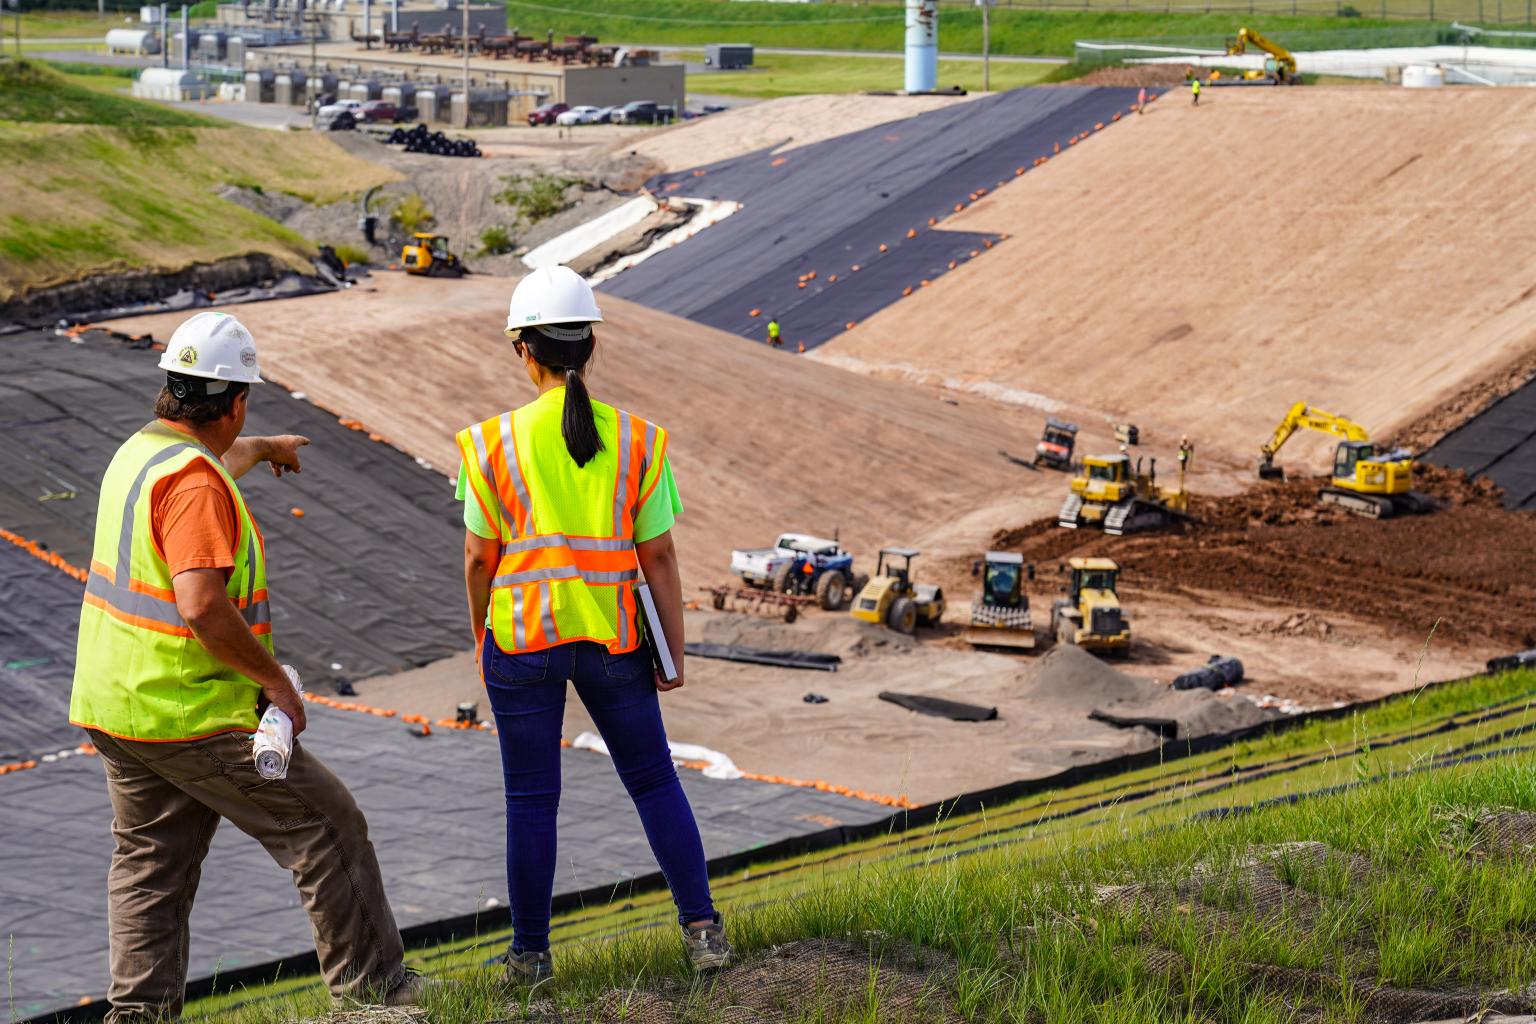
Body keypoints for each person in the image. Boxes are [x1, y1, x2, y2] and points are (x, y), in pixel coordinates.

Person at [69, 312, 422, 1022]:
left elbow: (197, 485)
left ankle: (137, 1016)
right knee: (326, 829)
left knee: (152, 868)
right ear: (235, 400)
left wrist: (255, 449)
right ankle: (376, 1000)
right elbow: (201, 604)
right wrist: (273, 681)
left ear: (173, 386)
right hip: (190, 712)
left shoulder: (144, 453)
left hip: (118, 705)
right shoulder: (194, 483)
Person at [456, 266, 731, 985]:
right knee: (654, 782)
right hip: (615, 643)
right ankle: (703, 930)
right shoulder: (639, 440)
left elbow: (479, 561)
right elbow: (660, 558)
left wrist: (480, 635)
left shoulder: (489, 444)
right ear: (591, 347)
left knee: (530, 800)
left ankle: (530, 956)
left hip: (521, 644)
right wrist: (671, 652)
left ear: (523, 349)